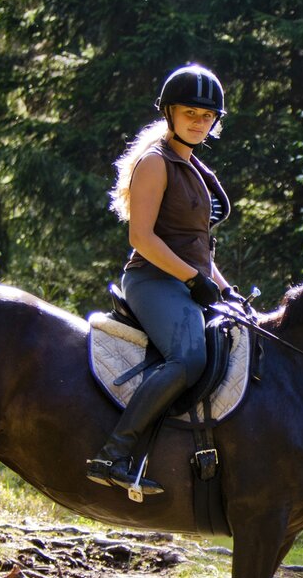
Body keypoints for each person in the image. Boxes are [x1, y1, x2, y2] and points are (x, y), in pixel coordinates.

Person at [86, 64, 235, 495]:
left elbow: (198, 247)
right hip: (151, 280)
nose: (198, 121)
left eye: (207, 116)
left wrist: (225, 289)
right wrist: (194, 280)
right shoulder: (155, 163)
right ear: (169, 112)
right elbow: (142, 237)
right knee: (188, 358)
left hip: (188, 280)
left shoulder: (196, 169)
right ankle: (114, 452)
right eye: (190, 112)